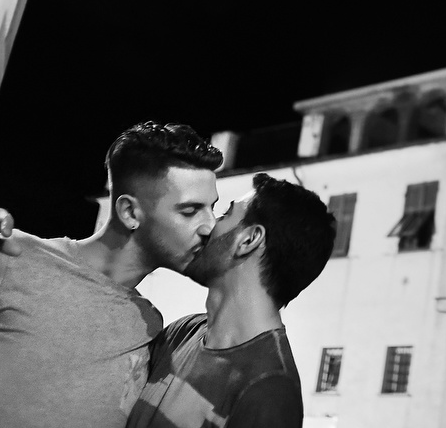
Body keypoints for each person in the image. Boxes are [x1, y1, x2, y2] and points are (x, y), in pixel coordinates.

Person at [0, 121, 224, 428]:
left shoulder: (148, 325)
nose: (210, 226)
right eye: (190, 210)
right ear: (130, 212)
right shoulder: (8, 259)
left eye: (212, 207)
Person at [127, 172, 337, 428]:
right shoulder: (181, 334)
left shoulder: (268, 391)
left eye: (225, 215)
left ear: (248, 240)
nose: (208, 226)